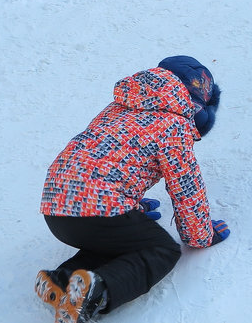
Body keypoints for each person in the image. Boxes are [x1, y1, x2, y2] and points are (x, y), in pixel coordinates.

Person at [35, 56, 228, 323]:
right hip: (99, 208)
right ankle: (96, 292)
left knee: (124, 241)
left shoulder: (119, 107)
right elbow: (186, 188)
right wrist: (201, 235)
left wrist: (131, 206)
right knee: (161, 250)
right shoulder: (175, 126)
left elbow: (105, 160)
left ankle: (61, 280)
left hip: (55, 206)